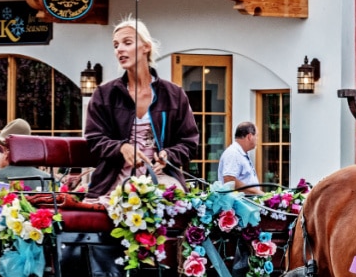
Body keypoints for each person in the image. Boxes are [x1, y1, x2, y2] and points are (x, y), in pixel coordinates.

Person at [83, 18, 200, 197]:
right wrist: (122, 148)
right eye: (115, 45)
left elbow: (189, 143)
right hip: (113, 183)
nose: (119, 49)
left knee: (168, 208)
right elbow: (94, 138)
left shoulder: (174, 94)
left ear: (146, 47)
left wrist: (168, 155)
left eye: (127, 43)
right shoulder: (104, 94)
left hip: (161, 181)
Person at [218, 122, 259, 190]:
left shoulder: (240, 153)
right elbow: (229, 180)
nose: (257, 139)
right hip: (238, 200)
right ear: (249, 136)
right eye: (257, 136)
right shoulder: (233, 153)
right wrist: (258, 193)